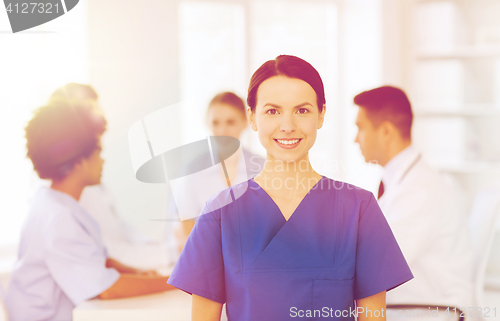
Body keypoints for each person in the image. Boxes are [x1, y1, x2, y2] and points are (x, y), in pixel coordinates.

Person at [167, 55, 414, 321]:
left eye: (302, 110)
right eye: (272, 111)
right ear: (252, 118)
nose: (287, 126)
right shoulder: (219, 213)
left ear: (321, 115)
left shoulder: (359, 209)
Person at [4, 100, 174, 321]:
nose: (102, 160)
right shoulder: (58, 218)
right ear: (77, 162)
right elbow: (105, 289)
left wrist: (137, 273)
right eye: (98, 150)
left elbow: (98, 260)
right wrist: (173, 282)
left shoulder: (56, 202)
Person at [353, 86, 473, 309]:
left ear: (386, 132)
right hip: (410, 306)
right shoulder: (405, 181)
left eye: (360, 128)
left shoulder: (419, 190)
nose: (355, 139)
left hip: (426, 311)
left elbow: (377, 265)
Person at [50, 83, 172, 269]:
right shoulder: (72, 181)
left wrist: (151, 246)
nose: (99, 114)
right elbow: (105, 251)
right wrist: (168, 254)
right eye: (89, 108)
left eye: (96, 106)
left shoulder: (93, 173)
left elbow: (119, 228)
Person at [172, 92, 265, 253]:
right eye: (215, 122)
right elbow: (187, 221)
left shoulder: (263, 167)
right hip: (206, 258)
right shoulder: (193, 169)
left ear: (246, 122)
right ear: (207, 123)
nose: (222, 130)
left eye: (230, 122)